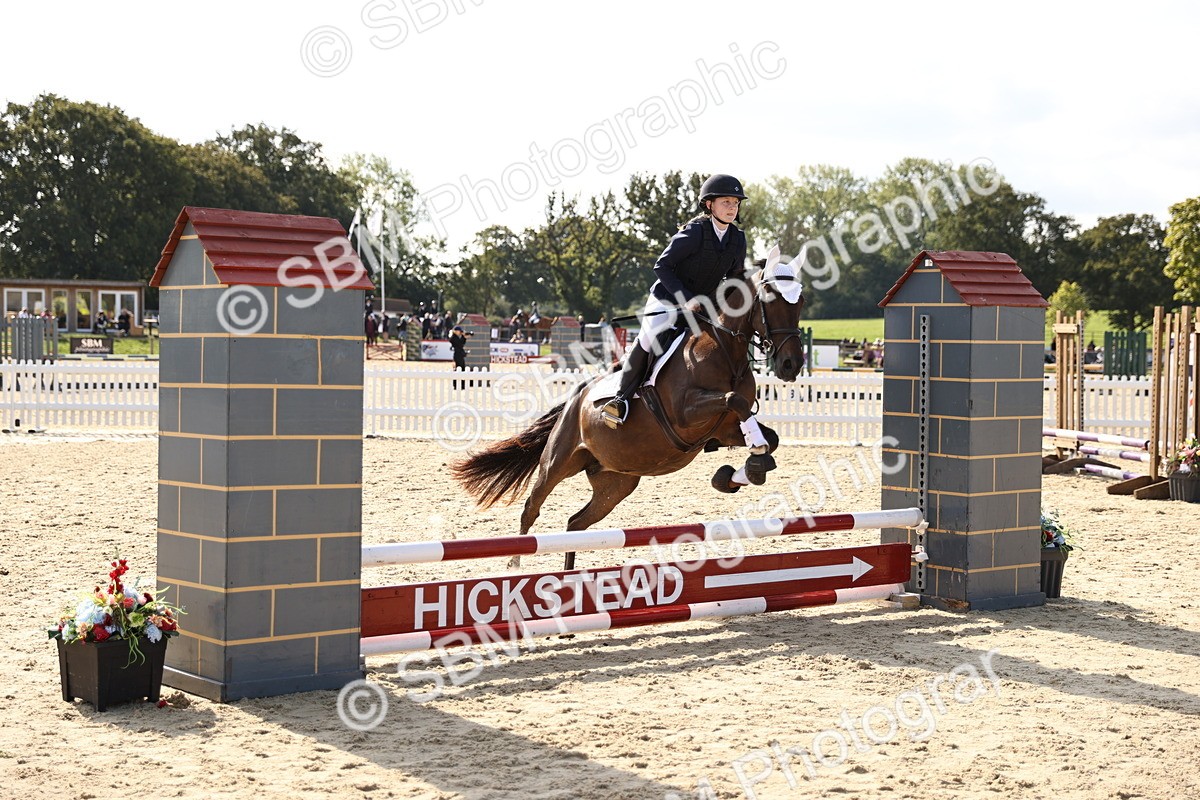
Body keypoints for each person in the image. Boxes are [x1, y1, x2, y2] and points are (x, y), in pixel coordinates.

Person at [602, 173, 748, 427]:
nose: (732, 208)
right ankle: (620, 400)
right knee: (650, 338)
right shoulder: (694, 231)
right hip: (669, 298)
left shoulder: (737, 238)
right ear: (709, 204)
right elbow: (662, 266)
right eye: (726, 202)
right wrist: (685, 298)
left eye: (735, 203)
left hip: (704, 305)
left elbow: (734, 277)